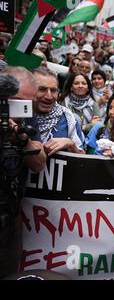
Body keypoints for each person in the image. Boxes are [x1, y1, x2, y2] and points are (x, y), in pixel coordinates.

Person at [0, 70, 46, 278]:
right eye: (16, 101)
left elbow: (38, 163)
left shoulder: (25, 119)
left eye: (28, 103)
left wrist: (21, 137)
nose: (22, 108)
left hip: (10, 215)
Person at [32, 67, 85, 154]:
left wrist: (70, 144)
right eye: (42, 89)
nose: (49, 96)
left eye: (53, 90)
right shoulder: (19, 118)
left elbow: (83, 160)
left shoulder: (69, 118)